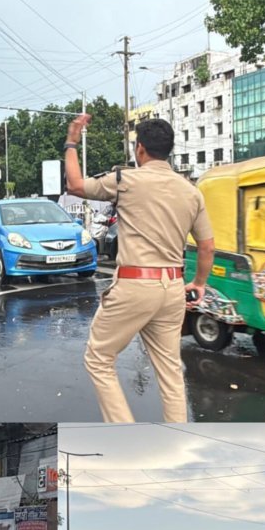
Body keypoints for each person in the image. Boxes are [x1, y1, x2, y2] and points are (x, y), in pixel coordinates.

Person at [63, 114, 216, 423]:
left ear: (141, 149)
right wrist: (199, 283)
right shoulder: (191, 191)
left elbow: (75, 185)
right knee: (171, 372)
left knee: (99, 358)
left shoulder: (125, 180)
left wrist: (71, 141)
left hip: (134, 286)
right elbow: (206, 246)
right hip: (173, 288)